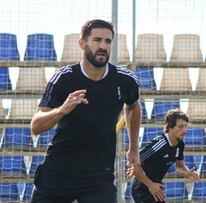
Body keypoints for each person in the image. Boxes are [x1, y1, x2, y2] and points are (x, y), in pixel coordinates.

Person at [30, 19, 141, 203]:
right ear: (82, 43)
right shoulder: (64, 78)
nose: (103, 46)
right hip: (58, 173)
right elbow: (36, 126)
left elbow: (133, 106)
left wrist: (133, 148)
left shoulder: (125, 80)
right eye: (97, 40)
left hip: (99, 178)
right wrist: (62, 110)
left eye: (107, 41)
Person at [127, 109, 200, 203]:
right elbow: (135, 164)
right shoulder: (159, 144)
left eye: (186, 126)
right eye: (181, 126)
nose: (185, 130)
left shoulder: (180, 144)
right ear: (170, 126)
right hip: (142, 189)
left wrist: (189, 173)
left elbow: (180, 166)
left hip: (156, 188)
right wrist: (150, 185)